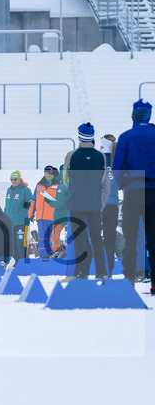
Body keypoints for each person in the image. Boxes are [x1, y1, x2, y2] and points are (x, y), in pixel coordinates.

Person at [112, 98, 155, 291]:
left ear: (133, 115)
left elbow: (117, 167)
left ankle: (129, 280)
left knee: (131, 238)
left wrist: (123, 186)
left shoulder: (126, 137)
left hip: (133, 192)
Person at [65, 123, 110, 279]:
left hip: (77, 203)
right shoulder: (101, 157)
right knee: (97, 238)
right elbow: (103, 181)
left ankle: (82, 273)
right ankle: (101, 272)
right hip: (94, 203)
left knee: (79, 239)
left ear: (79, 137)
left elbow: (65, 181)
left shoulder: (71, 155)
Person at [29, 165, 60, 258]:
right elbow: (33, 200)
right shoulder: (39, 185)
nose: (47, 175)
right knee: (42, 238)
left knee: (52, 238)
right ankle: (43, 257)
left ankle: (53, 256)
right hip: (41, 217)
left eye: (49, 173)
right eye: (45, 173)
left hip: (53, 217)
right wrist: (30, 213)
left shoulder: (58, 185)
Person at [100, 135, 120, 273]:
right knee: (110, 239)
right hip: (113, 205)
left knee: (95, 237)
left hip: (99, 205)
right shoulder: (118, 160)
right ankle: (110, 270)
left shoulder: (98, 159)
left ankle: (100, 269)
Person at [4, 170, 32, 259]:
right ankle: (17, 262)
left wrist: (27, 210)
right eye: (11, 179)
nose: (13, 181)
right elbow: (6, 206)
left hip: (21, 222)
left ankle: (22, 261)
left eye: (15, 179)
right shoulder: (9, 190)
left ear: (20, 179)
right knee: (13, 244)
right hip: (10, 222)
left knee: (21, 243)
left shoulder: (26, 190)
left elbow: (31, 205)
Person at [50, 165, 69, 258]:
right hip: (68, 217)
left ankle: (58, 254)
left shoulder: (62, 187)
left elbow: (60, 204)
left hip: (60, 217)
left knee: (55, 238)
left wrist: (50, 202)